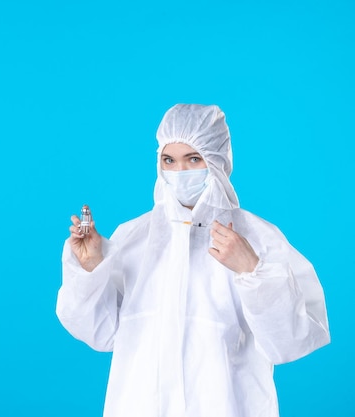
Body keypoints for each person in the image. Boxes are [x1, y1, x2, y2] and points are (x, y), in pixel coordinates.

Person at [56, 104, 330, 417]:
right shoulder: (134, 237)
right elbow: (100, 333)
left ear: (217, 161)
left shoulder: (258, 238)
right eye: (169, 160)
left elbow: (290, 340)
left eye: (194, 159)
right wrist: (92, 267)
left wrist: (253, 271)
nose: (180, 172)